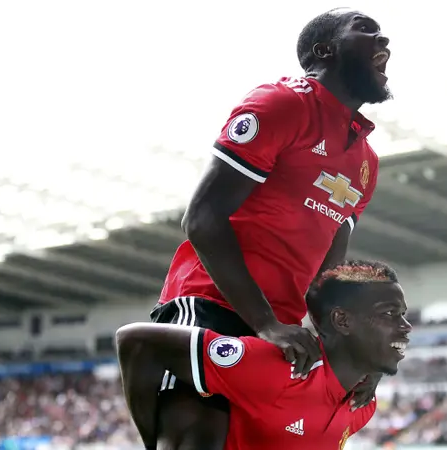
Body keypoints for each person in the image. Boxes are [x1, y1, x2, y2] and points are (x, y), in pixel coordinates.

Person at [130, 7, 394, 450]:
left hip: (282, 326)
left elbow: (328, 275)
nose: (384, 41)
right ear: (324, 50)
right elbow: (202, 217)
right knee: (200, 439)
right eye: (367, 30)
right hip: (213, 302)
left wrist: (346, 350)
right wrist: (264, 322)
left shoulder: (365, 162)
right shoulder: (283, 104)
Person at [118, 260, 412, 450]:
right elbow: (135, 341)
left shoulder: (363, 404)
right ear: (342, 321)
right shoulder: (278, 369)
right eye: (390, 314)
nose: (406, 326)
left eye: (403, 315)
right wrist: (149, 439)